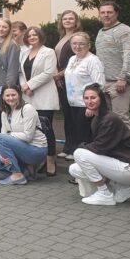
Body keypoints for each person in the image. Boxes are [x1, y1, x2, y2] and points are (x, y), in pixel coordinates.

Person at [69, 83, 130, 206]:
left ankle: (104, 193)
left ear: (101, 99)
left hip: (129, 167)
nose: (89, 101)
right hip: (119, 165)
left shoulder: (109, 119)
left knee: (79, 154)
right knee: (75, 169)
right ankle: (124, 188)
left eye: (93, 98)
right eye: (86, 98)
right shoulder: (97, 118)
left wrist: (81, 146)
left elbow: (99, 147)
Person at [19, 26, 60, 175]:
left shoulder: (48, 52)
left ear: (40, 36)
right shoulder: (24, 53)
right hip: (28, 96)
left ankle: (50, 161)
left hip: (44, 95)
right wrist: (24, 87)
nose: (32, 37)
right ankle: (37, 160)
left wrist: (30, 85)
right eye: (29, 36)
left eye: (35, 35)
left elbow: (48, 73)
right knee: (32, 129)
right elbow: (20, 72)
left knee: (46, 129)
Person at [0, 85, 47, 185]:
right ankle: (27, 172)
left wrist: (10, 134)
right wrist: (2, 154)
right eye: (7, 95)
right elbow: (3, 135)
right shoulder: (4, 113)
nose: (10, 98)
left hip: (36, 149)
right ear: (3, 97)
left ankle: (17, 175)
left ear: (19, 95)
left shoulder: (27, 109)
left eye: (13, 95)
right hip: (20, 147)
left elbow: (28, 136)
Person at [95, 0, 130, 134]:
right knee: (108, 120)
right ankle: (114, 146)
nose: (106, 15)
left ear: (116, 13)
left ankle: (129, 147)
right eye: (103, 12)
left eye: (109, 12)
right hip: (104, 82)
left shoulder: (124, 30)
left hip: (119, 83)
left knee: (121, 118)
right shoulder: (101, 31)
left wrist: (123, 78)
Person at [63, 32, 105, 161]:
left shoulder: (93, 61)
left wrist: (91, 106)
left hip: (85, 104)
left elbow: (99, 84)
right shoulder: (72, 59)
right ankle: (75, 155)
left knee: (84, 135)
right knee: (75, 132)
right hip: (72, 102)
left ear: (89, 45)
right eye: (74, 43)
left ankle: (85, 161)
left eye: (81, 44)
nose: (77, 46)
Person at [0, 18, 20, 145]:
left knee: (6, 117)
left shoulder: (12, 45)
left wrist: (8, 89)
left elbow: (12, 69)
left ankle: (6, 143)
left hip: (5, 86)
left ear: (9, 29)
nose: (1, 29)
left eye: (4, 27)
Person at [54, 10, 82, 158]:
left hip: (72, 81)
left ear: (76, 21)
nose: (67, 21)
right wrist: (58, 77)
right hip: (62, 81)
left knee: (75, 115)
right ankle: (68, 146)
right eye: (65, 18)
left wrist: (60, 75)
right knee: (67, 115)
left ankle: (76, 148)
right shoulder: (63, 37)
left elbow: (78, 60)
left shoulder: (78, 37)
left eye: (71, 18)